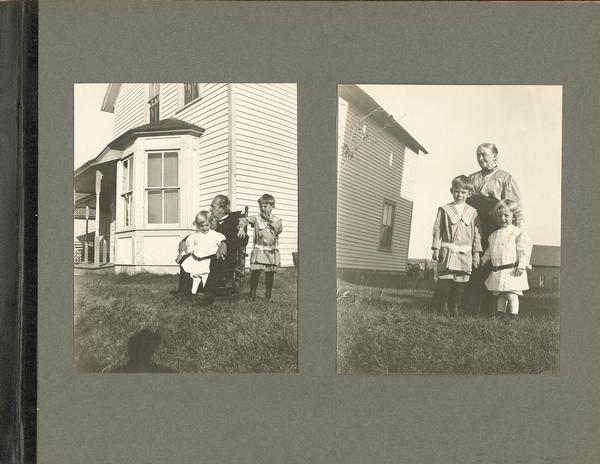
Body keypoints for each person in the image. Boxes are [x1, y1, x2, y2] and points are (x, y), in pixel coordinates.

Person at [465, 143, 522, 315]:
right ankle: (470, 306)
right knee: (475, 262)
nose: (480, 158)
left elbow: (515, 209)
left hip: (495, 226)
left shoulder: (506, 178)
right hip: (474, 225)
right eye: (478, 155)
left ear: (495, 156)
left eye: (484, 154)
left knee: (492, 263)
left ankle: (490, 308)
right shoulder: (472, 178)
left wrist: (515, 234)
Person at [431, 175, 482, 316]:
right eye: (457, 191)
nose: (459, 195)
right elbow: (437, 229)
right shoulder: (445, 209)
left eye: (463, 192)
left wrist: (476, 252)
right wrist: (436, 247)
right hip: (447, 251)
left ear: (469, 194)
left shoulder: (472, 213)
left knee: (460, 282)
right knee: (445, 281)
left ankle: (455, 308)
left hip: (465, 253)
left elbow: (477, 234)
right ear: (451, 191)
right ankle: (441, 307)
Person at [480, 200, 532, 319]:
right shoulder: (493, 236)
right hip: (498, 270)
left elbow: (523, 251)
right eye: (499, 216)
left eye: (506, 215)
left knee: (512, 294)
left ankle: (513, 318)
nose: (502, 218)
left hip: (512, 270)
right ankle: (500, 315)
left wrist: (521, 266)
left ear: (514, 216)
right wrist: (481, 261)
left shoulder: (517, 233)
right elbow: (489, 252)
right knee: (501, 294)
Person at [199, 195, 247, 305]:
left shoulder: (234, 221)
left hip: (226, 257)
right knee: (187, 258)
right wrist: (184, 241)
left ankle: (207, 296)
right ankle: (184, 294)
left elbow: (243, 238)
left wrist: (225, 243)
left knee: (217, 260)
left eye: (213, 206)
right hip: (208, 253)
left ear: (223, 208)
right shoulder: (210, 222)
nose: (210, 209)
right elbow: (198, 234)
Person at [237, 194, 283, 301]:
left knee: (269, 275)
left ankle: (267, 297)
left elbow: (278, 230)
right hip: (259, 251)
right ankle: (252, 296)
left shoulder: (277, 220)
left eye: (265, 206)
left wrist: (270, 222)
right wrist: (241, 228)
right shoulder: (257, 218)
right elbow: (244, 220)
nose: (262, 208)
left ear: (272, 207)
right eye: (261, 206)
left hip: (270, 253)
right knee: (255, 274)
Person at [179, 211, 226, 295]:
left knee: (206, 280)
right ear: (197, 225)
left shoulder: (215, 235)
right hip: (196, 260)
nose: (204, 228)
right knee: (195, 279)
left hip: (207, 260)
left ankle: (206, 297)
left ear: (211, 224)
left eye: (207, 225)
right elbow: (189, 248)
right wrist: (181, 254)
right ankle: (191, 296)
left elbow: (222, 242)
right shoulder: (195, 236)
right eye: (201, 226)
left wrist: (222, 246)